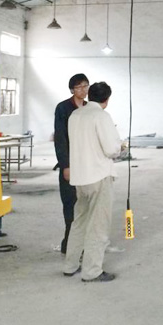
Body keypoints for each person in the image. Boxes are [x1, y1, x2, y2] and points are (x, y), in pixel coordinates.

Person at [63, 81, 121, 282]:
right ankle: (92, 271)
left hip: (81, 177)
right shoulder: (101, 116)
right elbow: (111, 149)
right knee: (98, 226)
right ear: (107, 99)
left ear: (90, 95)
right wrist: (120, 147)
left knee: (79, 222)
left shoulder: (75, 115)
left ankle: (70, 265)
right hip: (98, 176)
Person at [53, 73, 89, 254]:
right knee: (70, 203)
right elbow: (60, 138)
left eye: (85, 86)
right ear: (72, 90)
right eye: (78, 87)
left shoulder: (90, 108)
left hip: (86, 165)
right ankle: (69, 243)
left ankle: (81, 243)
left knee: (85, 205)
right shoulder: (63, 108)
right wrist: (65, 165)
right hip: (71, 164)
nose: (82, 90)